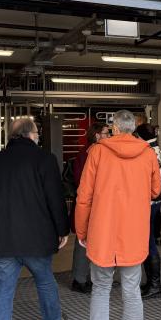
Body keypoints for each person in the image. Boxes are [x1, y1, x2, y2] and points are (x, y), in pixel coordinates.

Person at [0, 118, 69, 320]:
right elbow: (55, 198)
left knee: (4, 287)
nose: (38, 136)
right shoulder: (45, 159)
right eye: (37, 133)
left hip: (3, 238)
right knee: (45, 282)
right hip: (36, 238)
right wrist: (63, 229)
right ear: (30, 134)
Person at [75, 110, 161, 320]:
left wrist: (81, 231)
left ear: (114, 128)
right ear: (133, 128)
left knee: (101, 288)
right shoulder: (148, 153)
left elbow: (83, 196)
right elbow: (155, 191)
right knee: (131, 289)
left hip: (102, 230)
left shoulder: (97, 152)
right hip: (133, 231)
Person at [70, 122, 110, 294]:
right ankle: (79, 279)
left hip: (94, 203)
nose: (109, 136)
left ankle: (86, 277)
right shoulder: (88, 154)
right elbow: (83, 182)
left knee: (89, 241)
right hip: (90, 205)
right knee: (83, 241)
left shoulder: (92, 152)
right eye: (106, 133)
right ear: (97, 135)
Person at [134, 123, 161, 300]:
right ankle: (151, 283)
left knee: (149, 243)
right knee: (149, 241)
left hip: (148, 202)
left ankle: (155, 286)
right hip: (155, 202)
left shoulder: (148, 152)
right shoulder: (156, 149)